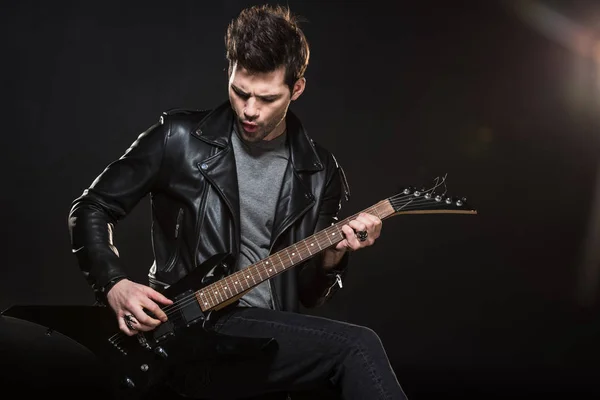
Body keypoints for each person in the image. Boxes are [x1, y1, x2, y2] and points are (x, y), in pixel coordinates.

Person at [67, 4, 408, 400]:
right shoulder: (178, 138)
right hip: (187, 325)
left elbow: (310, 295)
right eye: (240, 92)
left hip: (267, 335)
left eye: (265, 98)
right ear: (229, 70)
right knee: (358, 346)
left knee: (350, 358)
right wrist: (114, 284)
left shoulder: (320, 171)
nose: (249, 110)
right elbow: (90, 207)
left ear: (296, 89)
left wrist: (333, 257)